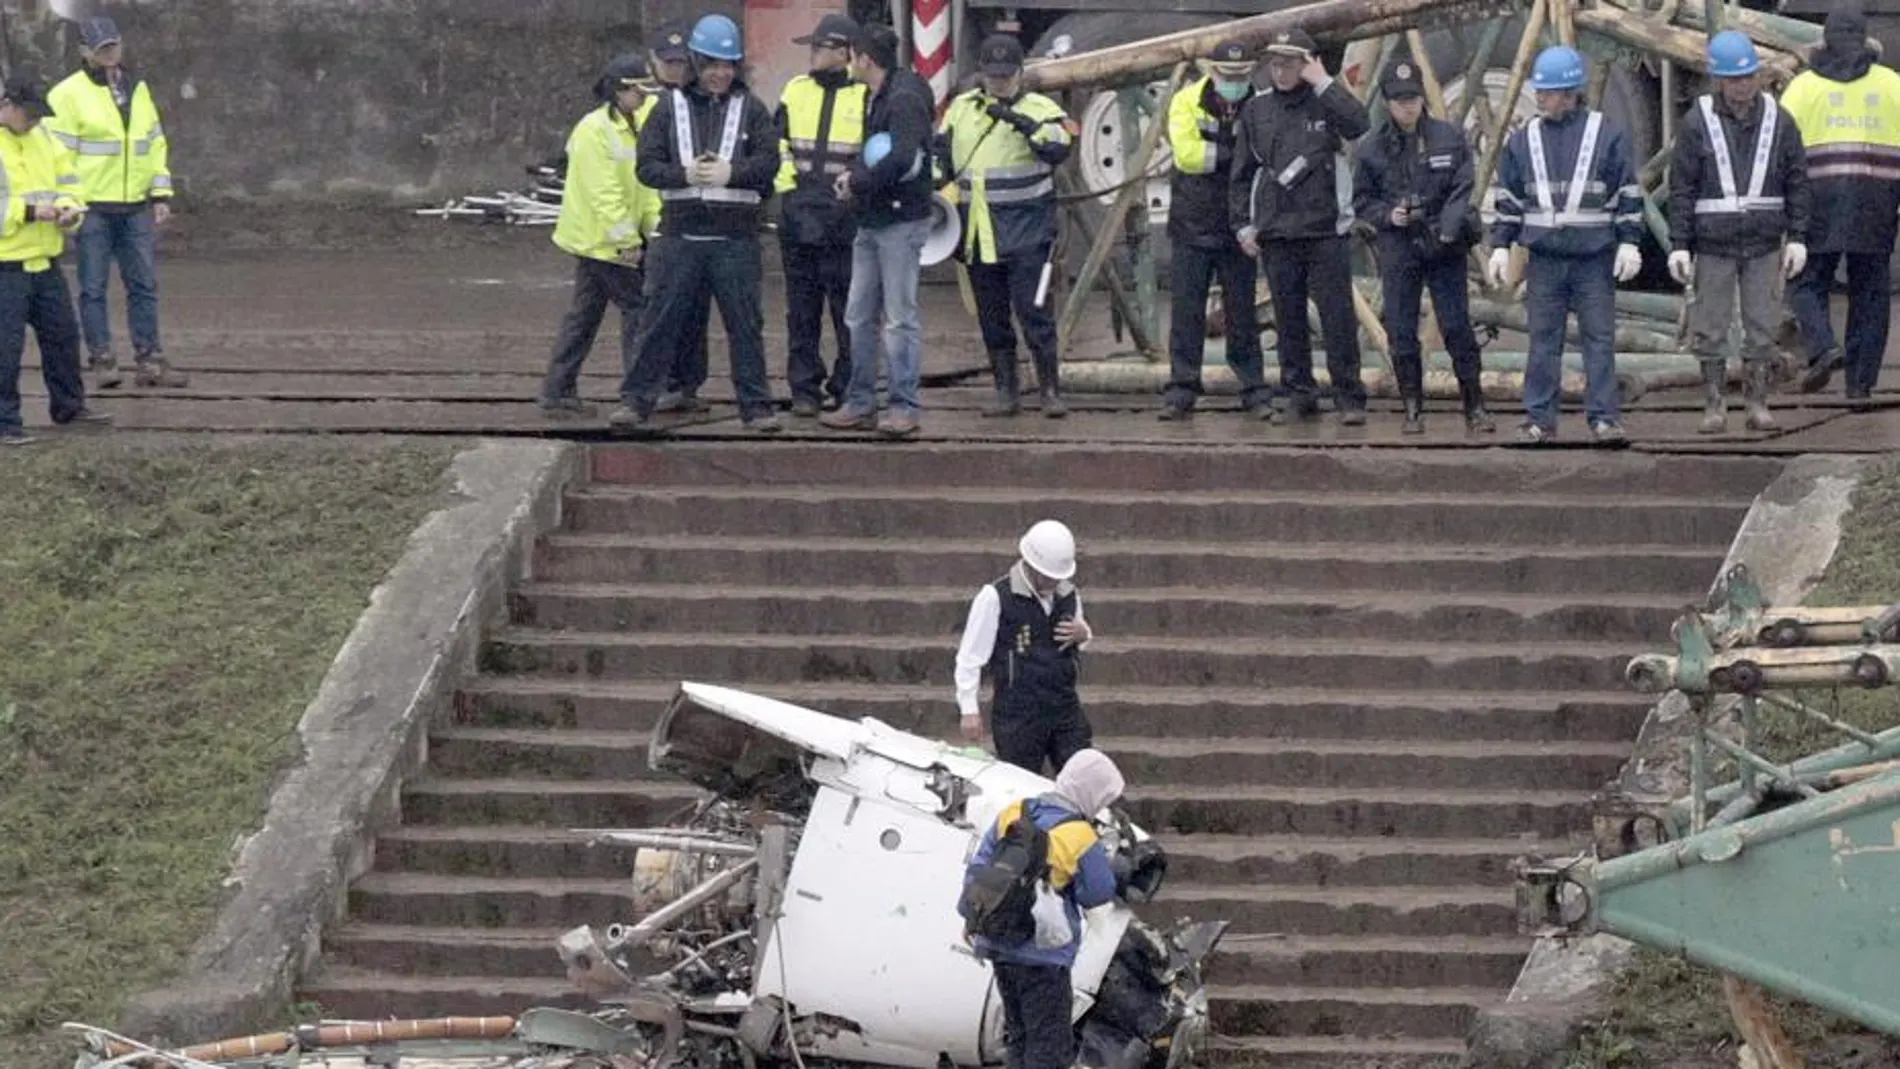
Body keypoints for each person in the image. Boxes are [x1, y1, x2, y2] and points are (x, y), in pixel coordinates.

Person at [610, 14, 782, 436]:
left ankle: (756, 408)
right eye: (712, 65)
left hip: (735, 238)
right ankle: (636, 402)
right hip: (679, 235)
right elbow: (647, 167)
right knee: (659, 322)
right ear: (696, 63)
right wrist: (683, 176)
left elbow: (769, 165)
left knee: (745, 326)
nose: (720, 74)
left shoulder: (753, 110)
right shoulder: (669, 108)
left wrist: (732, 173)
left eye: (727, 66)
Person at [1485, 45, 1644, 445]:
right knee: (1543, 342)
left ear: (1571, 92)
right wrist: (1500, 245)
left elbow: (1626, 191)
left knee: (1599, 340)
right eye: (1539, 92)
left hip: (1593, 257)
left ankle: (1605, 419)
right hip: (1546, 259)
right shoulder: (1524, 141)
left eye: (1548, 92)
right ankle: (1540, 419)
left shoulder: (1604, 134)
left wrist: (1629, 242)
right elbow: (1509, 198)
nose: (1540, 98)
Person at [1666, 30, 1809, 434]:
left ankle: (1756, 403)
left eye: (1748, 77)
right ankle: (1714, 405)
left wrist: (1797, 235)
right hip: (1713, 245)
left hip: (1764, 243)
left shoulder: (1780, 121)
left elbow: (1797, 180)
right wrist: (1680, 245)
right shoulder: (1698, 123)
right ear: (1719, 80)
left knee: (1762, 325)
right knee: (1709, 327)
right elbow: (1682, 187)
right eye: (1734, 79)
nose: (1743, 86)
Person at [1229, 29, 1371, 426]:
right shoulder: (1257, 110)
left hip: (1325, 228)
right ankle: (1299, 394)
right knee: (1288, 320)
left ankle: (1349, 397)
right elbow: (1242, 174)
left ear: (1306, 63)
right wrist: (1243, 225)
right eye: (1275, 63)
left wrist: (1323, 81)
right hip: (1277, 231)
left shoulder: (1325, 101)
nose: (1281, 71)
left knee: (1337, 317)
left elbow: (1360, 123)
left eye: (1289, 63)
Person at [959, 749, 1125, 1069]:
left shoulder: (1015, 812)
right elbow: (1098, 893)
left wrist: (971, 917)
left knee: (1018, 1035)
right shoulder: (1080, 835)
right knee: (1048, 1043)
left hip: (998, 942)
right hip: (1043, 954)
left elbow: (979, 867)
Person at [1353, 59, 1494, 435]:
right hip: (1399, 245)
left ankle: (1474, 404)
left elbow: (1464, 187)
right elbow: (1362, 200)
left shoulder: (1448, 137)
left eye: (1413, 98)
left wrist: (1447, 230)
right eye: (1400, 100)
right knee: (1401, 331)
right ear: (1387, 102)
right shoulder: (1371, 149)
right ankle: (1412, 407)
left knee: (1457, 328)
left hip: (1444, 245)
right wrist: (1388, 216)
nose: (1408, 106)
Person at [938, 35, 1075, 418]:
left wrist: (1022, 122)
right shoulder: (962, 109)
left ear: (1020, 73)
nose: (999, 82)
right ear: (981, 73)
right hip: (980, 234)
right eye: (992, 75)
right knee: (992, 316)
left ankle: (1050, 391)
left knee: (1035, 314)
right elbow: (941, 158)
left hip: (1029, 232)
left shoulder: (1042, 107)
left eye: (1006, 75)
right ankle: (1006, 392)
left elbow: (1058, 147)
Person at [46, 16, 186, 391]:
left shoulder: (137, 88)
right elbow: (58, 157)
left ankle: (150, 358)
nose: (109, 54)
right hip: (92, 206)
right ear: (84, 51)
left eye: (113, 46)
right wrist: (69, 201)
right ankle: (102, 357)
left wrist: (160, 194)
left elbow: (153, 142)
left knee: (143, 284)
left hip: (135, 204)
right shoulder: (66, 95)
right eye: (101, 48)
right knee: (93, 287)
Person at [819, 23, 937, 439]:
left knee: (899, 318)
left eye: (852, 55)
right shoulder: (882, 94)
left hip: (900, 221)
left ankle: (903, 405)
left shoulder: (902, 99)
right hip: (873, 219)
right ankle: (861, 400)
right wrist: (857, 177)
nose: (849, 62)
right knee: (858, 314)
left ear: (865, 59)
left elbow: (902, 158)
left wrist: (857, 182)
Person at [1780, 3, 1900, 402]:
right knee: (1870, 291)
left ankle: (1823, 346)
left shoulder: (1802, 87)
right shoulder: (1891, 84)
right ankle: (1860, 387)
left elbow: (1779, 149)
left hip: (1818, 202)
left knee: (1805, 281)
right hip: (1877, 201)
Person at [536, 55, 662, 417]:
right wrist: (628, 241)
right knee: (637, 308)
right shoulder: (594, 131)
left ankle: (558, 389)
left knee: (584, 315)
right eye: (640, 91)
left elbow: (641, 187)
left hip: (599, 239)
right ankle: (636, 393)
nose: (645, 97)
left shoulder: (628, 123)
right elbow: (605, 193)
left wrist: (653, 228)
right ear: (620, 91)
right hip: (603, 242)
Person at [1157, 39, 1270, 421]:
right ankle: (1182, 388)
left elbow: (1267, 155)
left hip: (1239, 225)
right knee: (1187, 311)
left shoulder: (1261, 103)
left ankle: (1253, 388)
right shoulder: (1187, 100)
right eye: (1227, 75)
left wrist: (1228, 159)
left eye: (1241, 75)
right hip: (1193, 223)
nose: (1234, 81)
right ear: (1211, 71)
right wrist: (1239, 157)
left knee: (1242, 312)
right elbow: (1188, 157)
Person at [0, 73, 110, 445]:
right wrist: (31, 212)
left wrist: (68, 210)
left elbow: (70, 184)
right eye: (28, 113)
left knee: (63, 338)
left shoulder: (44, 137)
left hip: (45, 261)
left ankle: (69, 407)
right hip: (6, 266)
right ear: (7, 106)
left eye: (38, 114)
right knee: (4, 350)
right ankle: (5, 422)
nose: (34, 121)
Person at [775, 13, 865, 417]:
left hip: (845, 218)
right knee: (802, 310)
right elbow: (776, 144)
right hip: (799, 214)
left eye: (821, 47)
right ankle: (805, 389)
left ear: (846, 53)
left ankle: (848, 386)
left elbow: (871, 153)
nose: (812, 55)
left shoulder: (864, 95)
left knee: (850, 310)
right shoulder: (795, 90)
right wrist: (789, 190)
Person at [953, 520, 1094, 775]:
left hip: (1064, 705)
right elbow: (970, 658)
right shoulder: (995, 597)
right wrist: (969, 709)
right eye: (1049, 577)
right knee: (1020, 786)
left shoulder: (1069, 594)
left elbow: (1081, 638)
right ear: (1031, 565)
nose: (1054, 583)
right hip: (1018, 714)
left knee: (1083, 774)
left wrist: (1083, 634)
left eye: (1059, 577)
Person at [648, 19, 714, 416]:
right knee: (657, 313)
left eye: (680, 62)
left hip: (691, 220)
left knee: (693, 312)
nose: (675, 70)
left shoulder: (701, 104)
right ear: (653, 62)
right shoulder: (647, 106)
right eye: (668, 63)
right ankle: (656, 385)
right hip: (656, 226)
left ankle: (686, 384)